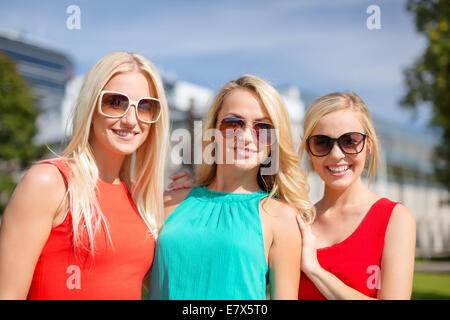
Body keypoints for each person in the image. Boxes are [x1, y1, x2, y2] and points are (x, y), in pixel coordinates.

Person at [0, 51, 170, 299]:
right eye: (115, 102)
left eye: (145, 106)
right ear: (92, 105)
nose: (131, 120)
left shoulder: (142, 199)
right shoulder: (49, 183)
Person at [149, 75, 315, 300]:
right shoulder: (169, 203)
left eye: (263, 127)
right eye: (233, 124)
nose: (246, 137)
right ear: (213, 131)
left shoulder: (283, 219)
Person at [296, 92, 416, 299]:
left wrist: (315, 271)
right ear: (309, 150)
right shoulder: (298, 221)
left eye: (350, 141)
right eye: (322, 142)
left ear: (368, 146)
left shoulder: (395, 219)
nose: (336, 154)